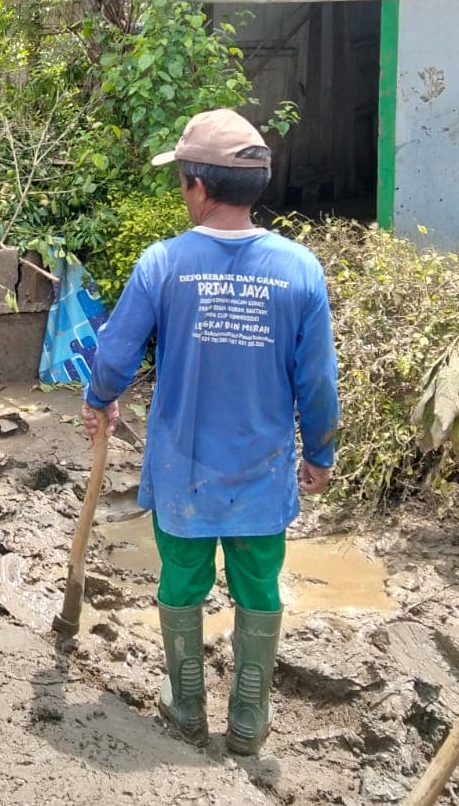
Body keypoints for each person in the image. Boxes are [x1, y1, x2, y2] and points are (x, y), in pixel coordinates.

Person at [81, 108, 338, 757]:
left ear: (196, 185)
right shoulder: (300, 270)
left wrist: (100, 400)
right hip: (261, 473)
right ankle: (249, 717)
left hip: (183, 473)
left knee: (182, 580)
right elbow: (317, 383)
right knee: (259, 585)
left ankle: (187, 703)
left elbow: (114, 356)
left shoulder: (163, 264)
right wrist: (322, 451)